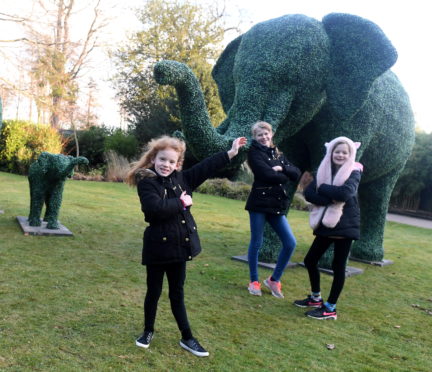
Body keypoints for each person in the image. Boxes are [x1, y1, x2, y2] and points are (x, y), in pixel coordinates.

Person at [125, 135, 246, 357]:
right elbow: (154, 210)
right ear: (153, 158)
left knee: (177, 294)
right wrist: (181, 202)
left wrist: (230, 153)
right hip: (157, 248)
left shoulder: (182, 179)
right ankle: (148, 331)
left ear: (178, 164)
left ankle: (187, 337)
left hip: (179, 248)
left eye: (172, 162)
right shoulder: (147, 183)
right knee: (153, 292)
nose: (166, 165)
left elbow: (206, 167)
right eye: (163, 159)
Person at [294, 136, 362, 320]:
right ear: (331, 152)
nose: (340, 155)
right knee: (310, 260)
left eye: (344, 152)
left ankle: (330, 308)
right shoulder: (325, 169)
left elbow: (345, 194)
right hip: (326, 224)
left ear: (350, 154)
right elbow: (308, 192)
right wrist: (328, 198)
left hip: (344, 226)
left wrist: (322, 187)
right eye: (337, 151)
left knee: (338, 267)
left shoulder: (354, 171)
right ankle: (316, 298)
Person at [245, 121, 301, 298]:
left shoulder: (278, 153)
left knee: (290, 243)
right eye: (259, 135)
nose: (264, 137)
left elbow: (297, 173)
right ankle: (254, 281)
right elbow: (266, 175)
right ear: (255, 137)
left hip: (276, 204)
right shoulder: (254, 153)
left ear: (271, 134)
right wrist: (284, 175)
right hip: (259, 203)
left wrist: (282, 168)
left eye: (266, 134)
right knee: (257, 242)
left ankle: (274, 280)